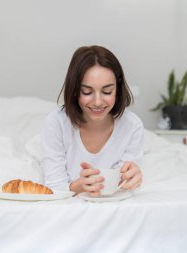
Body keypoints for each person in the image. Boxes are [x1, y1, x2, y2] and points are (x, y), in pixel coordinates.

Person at [41, 45, 144, 197]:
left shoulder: (132, 125)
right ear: (75, 91)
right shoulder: (55, 124)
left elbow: (120, 185)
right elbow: (53, 187)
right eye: (87, 92)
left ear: (118, 88)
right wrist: (79, 186)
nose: (97, 102)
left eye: (107, 91)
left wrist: (132, 180)